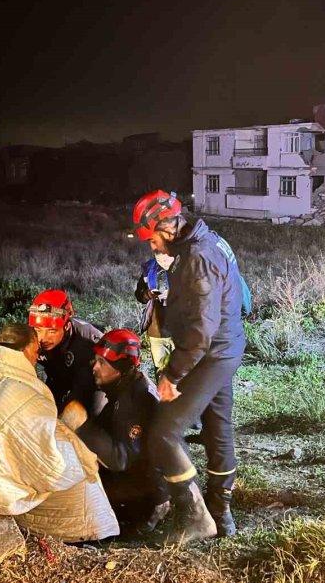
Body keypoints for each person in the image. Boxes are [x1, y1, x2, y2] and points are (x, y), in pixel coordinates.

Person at [0, 324, 119, 542]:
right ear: (28, 348)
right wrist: (78, 446)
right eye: (35, 350)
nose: (36, 357)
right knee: (81, 475)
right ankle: (92, 536)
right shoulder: (20, 390)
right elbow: (48, 463)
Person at [132, 190, 246, 543]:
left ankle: (194, 516)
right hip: (223, 348)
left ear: (166, 228)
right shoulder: (203, 242)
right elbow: (208, 302)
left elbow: (201, 330)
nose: (151, 247)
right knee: (217, 428)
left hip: (209, 355)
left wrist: (172, 375)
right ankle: (221, 511)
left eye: (151, 239)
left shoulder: (196, 256)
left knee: (163, 434)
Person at [60, 329, 170, 531]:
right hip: (139, 477)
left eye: (103, 363)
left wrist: (82, 427)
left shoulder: (134, 400)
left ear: (121, 368)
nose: (95, 367)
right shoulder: (126, 386)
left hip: (146, 492)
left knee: (76, 492)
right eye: (95, 360)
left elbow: (121, 459)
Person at [28, 289, 103, 412]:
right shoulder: (31, 338)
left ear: (67, 326)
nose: (43, 338)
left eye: (51, 331)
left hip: (92, 383)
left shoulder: (88, 342)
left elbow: (88, 386)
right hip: (57, 377)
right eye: (38, 330)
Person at [136, 253, 175, 370]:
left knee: (182, 374)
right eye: (158, 254)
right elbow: (139, 294)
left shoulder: (184, 268)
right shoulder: (150, 269)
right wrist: (147, 294)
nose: (162, 258)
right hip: (157, 331)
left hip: (181, 333)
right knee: (160, 371)